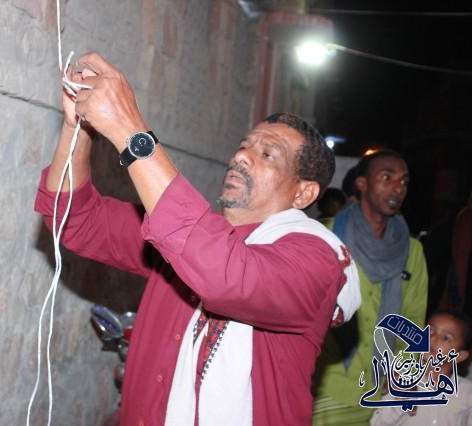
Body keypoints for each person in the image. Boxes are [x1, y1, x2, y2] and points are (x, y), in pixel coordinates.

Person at [34, 52, 360, 425]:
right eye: (245, 144)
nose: (242, 156)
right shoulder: (184, 235)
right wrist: (78, 128)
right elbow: (73, 218)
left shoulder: (316, 260)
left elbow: (226, 277)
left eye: (267, 153)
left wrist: (129, 130)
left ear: (303, 193)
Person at [313, 150, 428, 425]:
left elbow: (413, 320)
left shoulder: (412, 250)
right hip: (327, 385)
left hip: (380, 391)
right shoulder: (325, 238)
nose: (397, 188)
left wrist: (404, 372)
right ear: (362, 183)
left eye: (404, 181)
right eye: (387, 177)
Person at [369, 309, 472, 425]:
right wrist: (399, 398)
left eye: (446, 338)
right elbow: (378, 423)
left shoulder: (467, 392)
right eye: (430, 331)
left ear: (459, 356)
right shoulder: (402, 381)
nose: (432, 338)